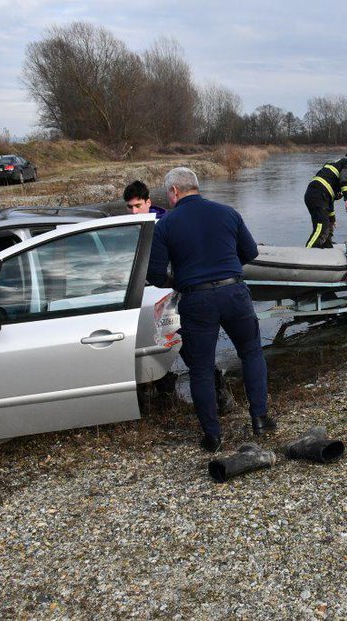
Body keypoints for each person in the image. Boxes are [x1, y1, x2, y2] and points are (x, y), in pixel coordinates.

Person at [147, 167, 273, 452]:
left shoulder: (165, 225)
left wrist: (179, 280)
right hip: (234, 292)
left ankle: (213, 436)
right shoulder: (228, 212)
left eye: (168, 194)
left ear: (174, 192)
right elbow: (250, 253)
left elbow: (155, 275)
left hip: (196, 299)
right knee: (251, 352)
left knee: (201, 368)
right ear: (196, 186)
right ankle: (260, 418)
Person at [304, 151, 347, 248]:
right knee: (321, 227)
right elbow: (345, 177)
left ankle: (326, 247)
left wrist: (332, 219)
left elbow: (328, 201)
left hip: (316, 194)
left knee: (328, 225)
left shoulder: (335, 164)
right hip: (318, 195)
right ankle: (309, 252)